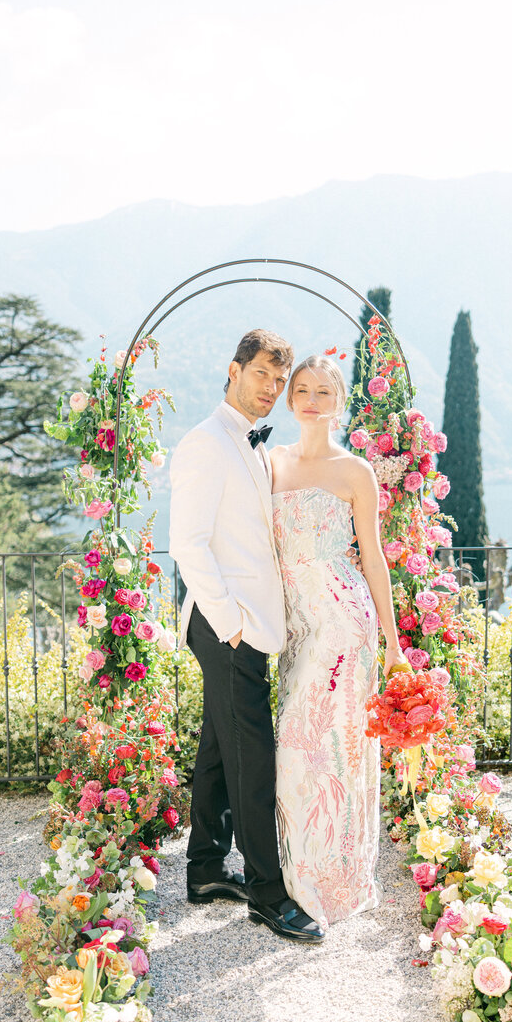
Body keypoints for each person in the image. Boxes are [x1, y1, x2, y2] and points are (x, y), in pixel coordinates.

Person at [168, 329, 325, 944]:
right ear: (233, 370)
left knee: (218, 748)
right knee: (252, 757)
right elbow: (189, 543)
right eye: (262, 373)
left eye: (279, 380)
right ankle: (267, 892)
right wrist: (231, 623)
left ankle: (206, 869)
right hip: (225, 625)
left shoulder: (256, 444)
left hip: (250, 623)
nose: (271, 388)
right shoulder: (206, 444)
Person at [270, 355, 402, 929]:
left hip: (346, 623)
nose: (310, 399)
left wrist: (394, 643)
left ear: (338, 401)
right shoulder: (271, 464)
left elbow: (373, 558)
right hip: (296, 626)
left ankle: (335, 875)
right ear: (288, 397)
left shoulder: (356, 473)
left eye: (323, 391)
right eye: (301, 389)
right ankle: (296, 865)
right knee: (297, 748)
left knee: (336, 747)